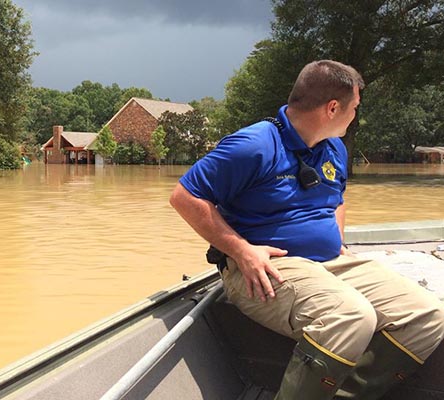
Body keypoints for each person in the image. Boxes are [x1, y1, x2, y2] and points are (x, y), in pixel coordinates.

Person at [169, 60, 444, 399]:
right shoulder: (253, 145)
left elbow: (337, 198)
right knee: (351, 315)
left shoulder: (334, 147)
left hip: (329, 263)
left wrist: (336, 239)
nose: (355, 116)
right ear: (333, 108)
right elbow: (184, 196)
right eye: (354, 108)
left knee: (427, 315)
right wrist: (241, 250)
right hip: (264, 268)